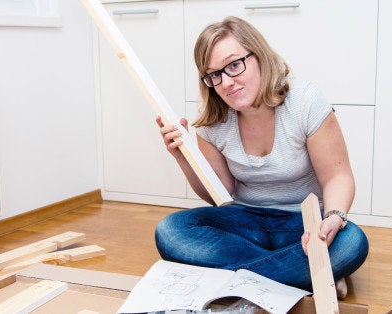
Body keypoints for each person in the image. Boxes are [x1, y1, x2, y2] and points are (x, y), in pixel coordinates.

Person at [154, 16, 368, 298]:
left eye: (233, 65)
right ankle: (307, 274)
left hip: (302, 225)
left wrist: (334, 218)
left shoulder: (305, 102)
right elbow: (219, 193)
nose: (226, 82)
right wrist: (184, 157)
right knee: (170, 230)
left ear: (259, 57)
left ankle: (243, 279)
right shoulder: (211, 122)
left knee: (352, 241)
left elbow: (337, 176)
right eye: (214, 75)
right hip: (245, 223)